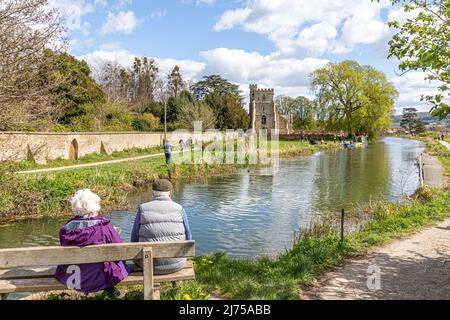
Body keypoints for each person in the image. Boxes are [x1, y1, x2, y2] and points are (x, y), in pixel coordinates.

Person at [54, 189, 129, 294]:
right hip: (99, 278)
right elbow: (120, 250)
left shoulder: (65, 230)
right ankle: (110, 291)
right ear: (95, 207)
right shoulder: (104, 227)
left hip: (73, 278)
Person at [131, 179, 192, 275]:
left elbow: (134, 238)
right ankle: (176, 284)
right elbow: (188, 237)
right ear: (170, 193)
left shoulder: (142, 208)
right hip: (177, 263)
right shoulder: (179, 209)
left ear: (153, 193)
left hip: (148, 264)